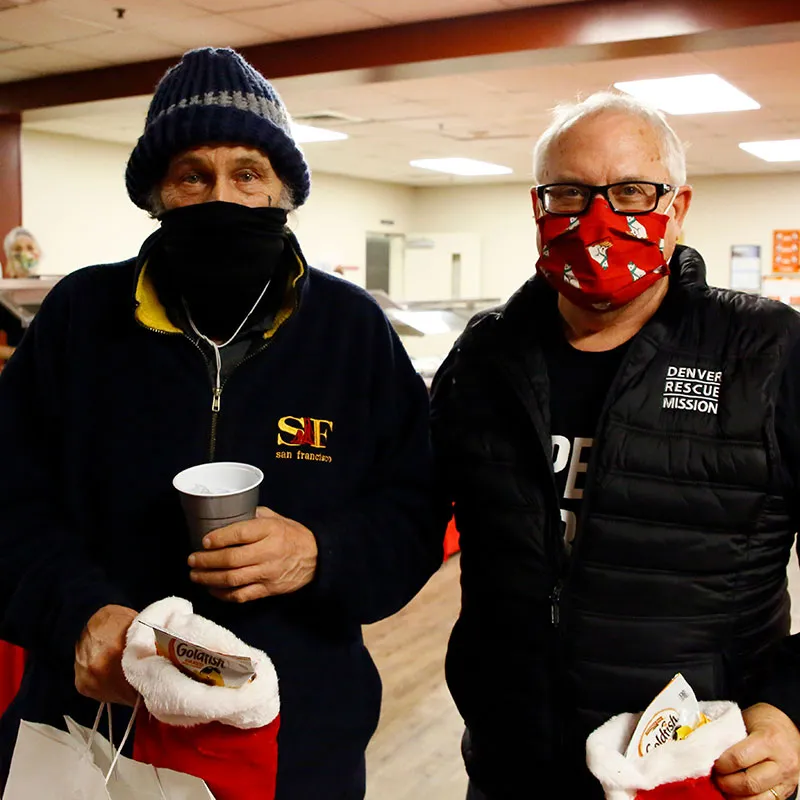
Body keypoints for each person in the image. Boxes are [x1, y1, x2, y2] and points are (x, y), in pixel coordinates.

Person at [0, 47, 441, 799]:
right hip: (93, 732)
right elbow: (8, 499)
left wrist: (319, 552)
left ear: (283, 191)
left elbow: (415, 510)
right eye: (192, 175)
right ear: (156, 194)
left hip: (298, 735)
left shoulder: (350, 330)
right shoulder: (80, 318)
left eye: (248, 173)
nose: (222, 197)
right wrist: (76, 614)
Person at [432, 91, 800, 799]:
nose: (598, 219)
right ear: (539, 207)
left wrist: (791, 711)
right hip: (513, 760)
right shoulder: (485, 355)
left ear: (678, 208)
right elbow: (410, 513)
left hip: (698, 765)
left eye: (631, 192)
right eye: (569, 193)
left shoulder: (770, 352)